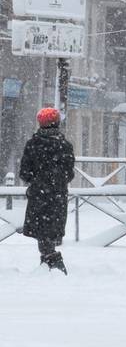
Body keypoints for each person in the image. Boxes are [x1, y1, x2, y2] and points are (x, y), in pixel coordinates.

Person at [19, 107, 75, 275]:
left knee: (41, 230)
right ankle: (48, 265)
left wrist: (38, 180)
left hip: (39, 195)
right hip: (58, 195)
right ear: (57, 122)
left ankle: (53, 262)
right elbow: (69, 173)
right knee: (50, 230)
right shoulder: (65, 145)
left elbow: (24, 172)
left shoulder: (33, 144)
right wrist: (56, 181)